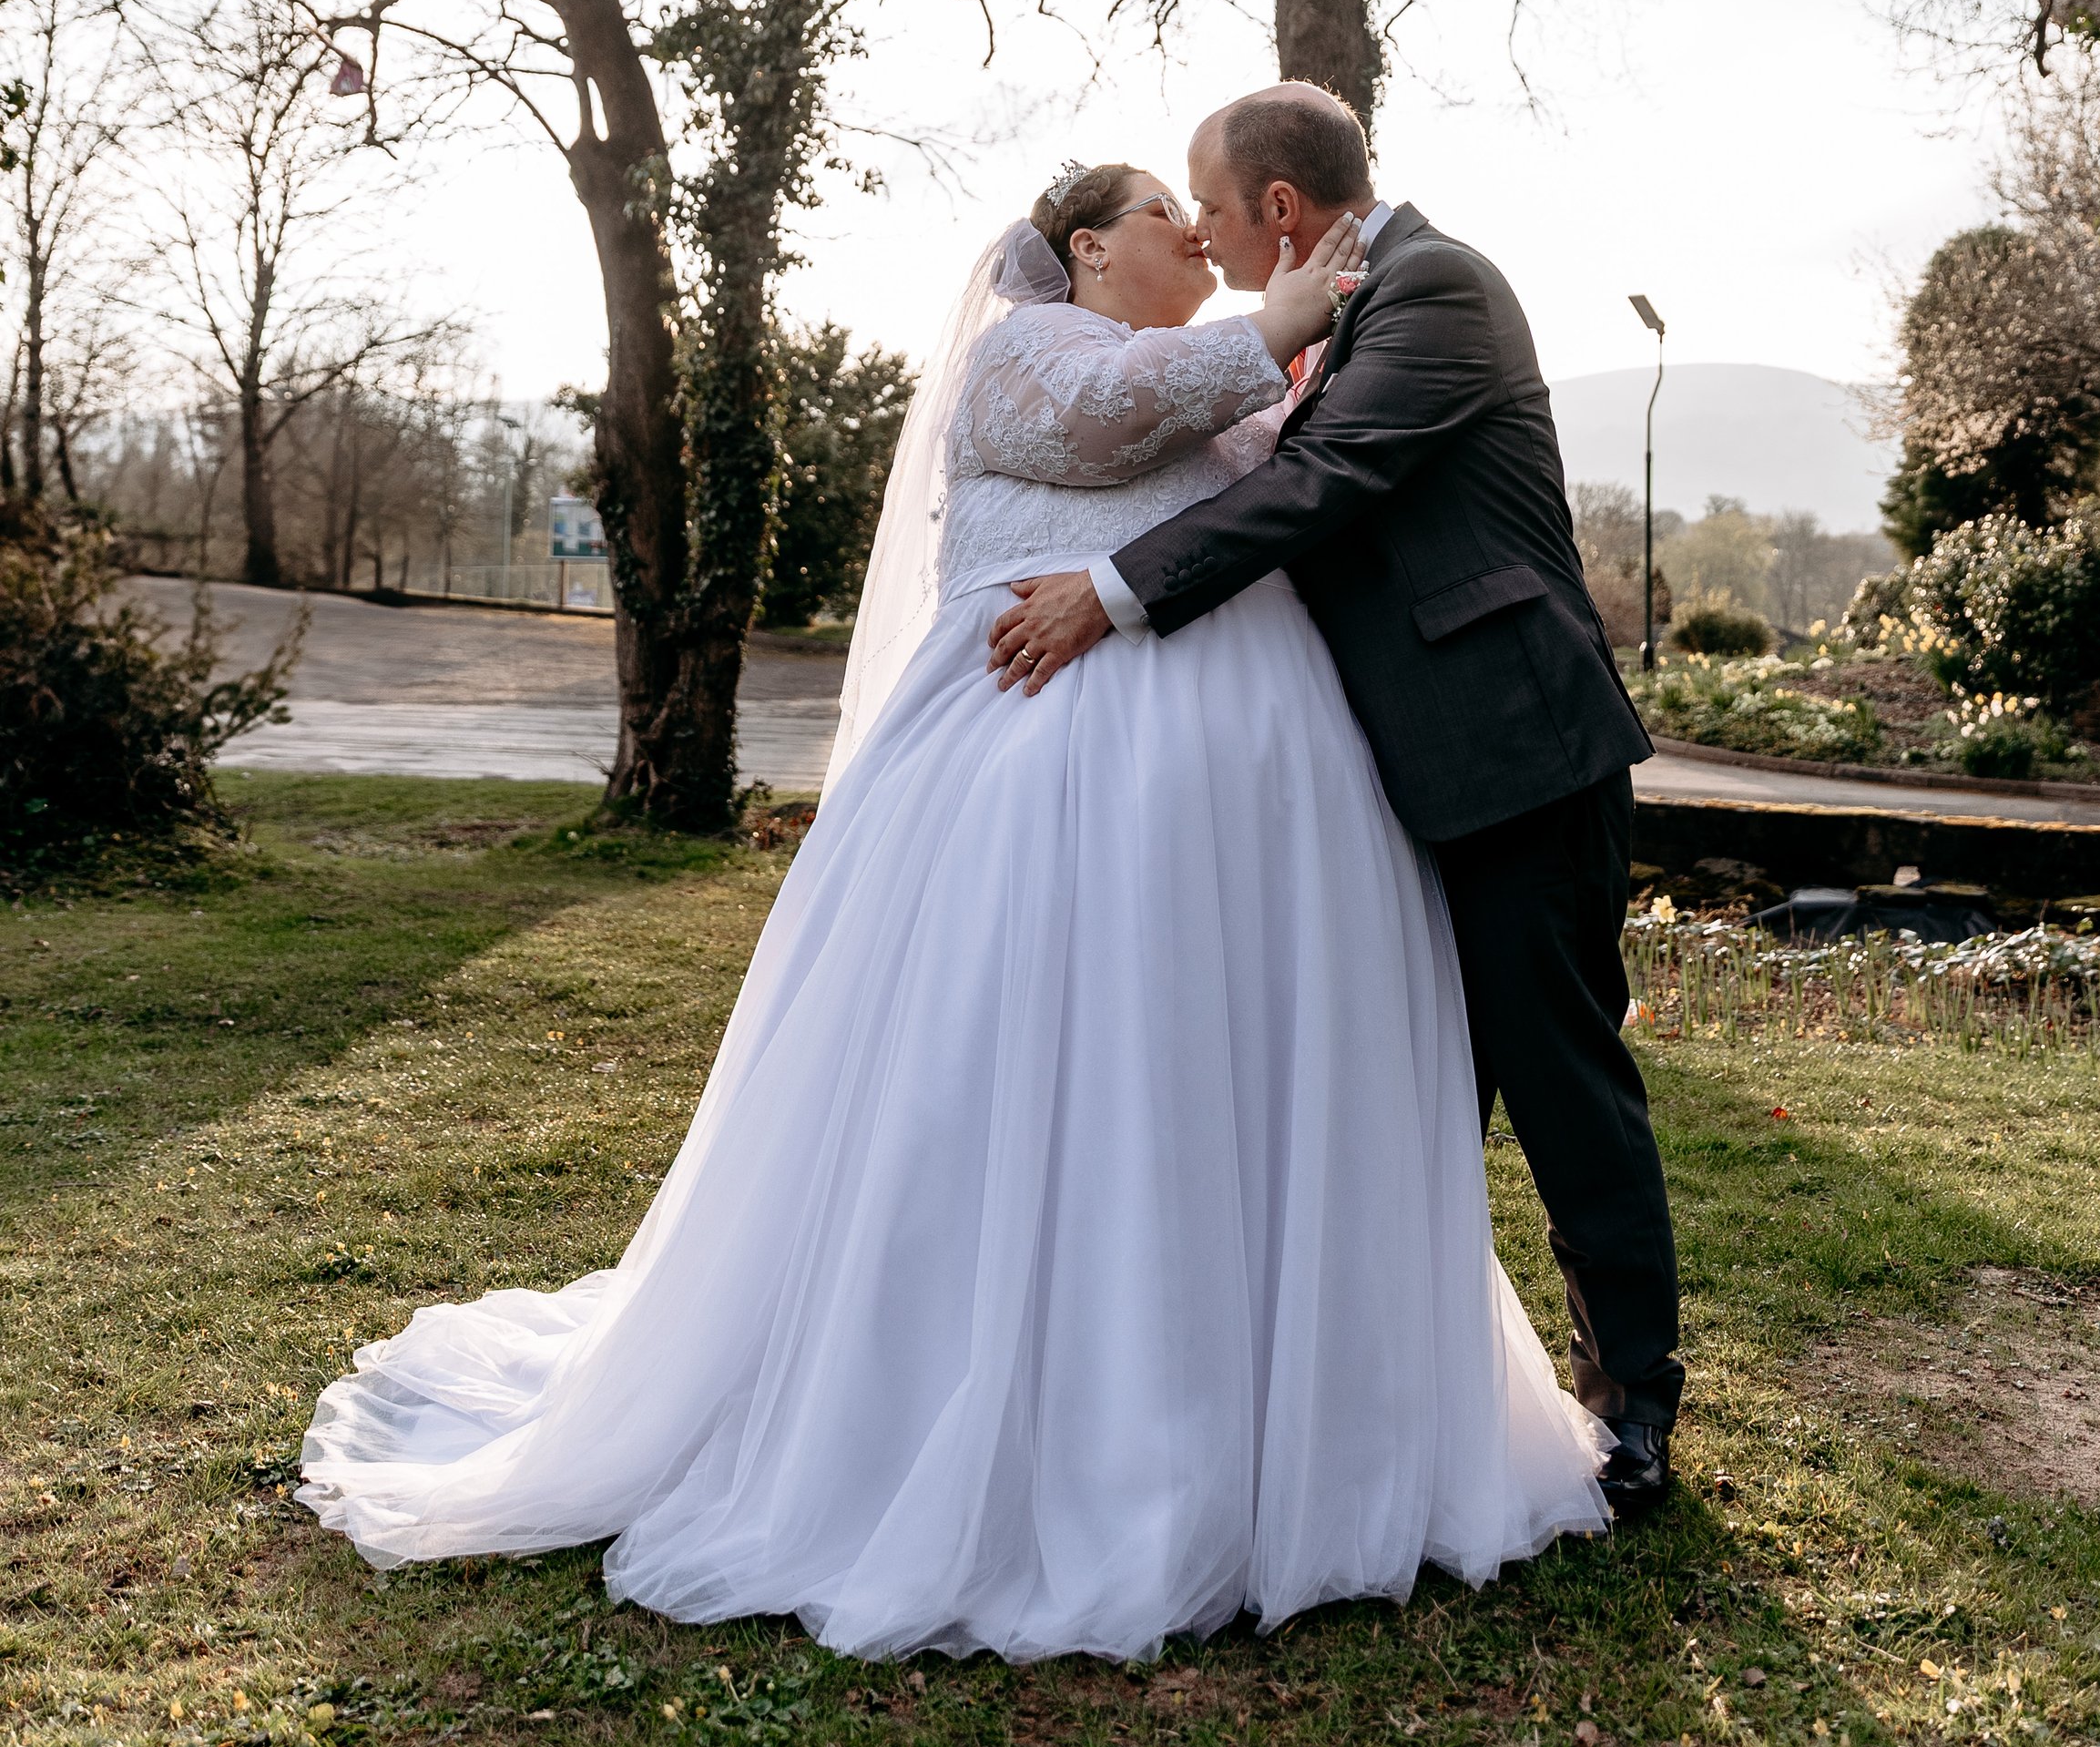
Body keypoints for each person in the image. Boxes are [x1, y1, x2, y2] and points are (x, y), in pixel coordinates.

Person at [298, 158, 1611, 1660]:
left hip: (1254, 812)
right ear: (1089, 248)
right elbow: (1100, 423)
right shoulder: (1031, 353)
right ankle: (1004, 1418)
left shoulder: (1246, 388)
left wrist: (1281, 353)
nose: (1199, 234)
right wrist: (1275, 321)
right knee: (1031, 1082)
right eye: (1165, 217)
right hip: (1035, 786)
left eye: (1211, 215)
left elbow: (1293, 502)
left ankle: (1272, 1427)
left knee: (1219, 1086)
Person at [988, 87, 1681, 1519]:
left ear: (1281, 211)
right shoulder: (1337, 312)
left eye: (1211, 204)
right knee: (1415, 1094)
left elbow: (1326, 481)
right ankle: (1394, 1402)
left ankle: (1631, 1408)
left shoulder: (1437, 287)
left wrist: (1112, 593)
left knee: (1558, 1075)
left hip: (1513, 752)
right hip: (1401, 770)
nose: (1199, 227)